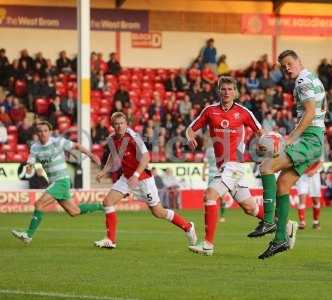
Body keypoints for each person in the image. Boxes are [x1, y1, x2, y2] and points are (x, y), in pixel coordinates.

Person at [248, 50, 326, 259]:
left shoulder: (303, 82)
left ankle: (268, 221)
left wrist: (290, 138)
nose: (287, 68)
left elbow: (310, 112)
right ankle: (280, 238)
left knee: (266, 166)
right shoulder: (311, 78)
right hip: (314, 140)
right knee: (283, 185)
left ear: (299, 61)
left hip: (309, 139)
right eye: (283, 66)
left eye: (289, 63)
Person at [186, 76, 276, 256]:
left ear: (235, 92)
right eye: (223, 89)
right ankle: (285, 225)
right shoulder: (210, 111)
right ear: (219, 91)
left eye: (230, 89)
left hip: (235, 164)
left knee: (210, 195)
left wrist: (264, 143)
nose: (226, 92)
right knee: (250, 208)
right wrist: (190, 137)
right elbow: (191, 128)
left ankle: (208, 245)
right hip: (225, 166)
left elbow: (260, 131)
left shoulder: (243, 112)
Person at [94, 112, 197, 249]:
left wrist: (136, 175)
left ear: (126, 124)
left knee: (158, 212)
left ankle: (188, 227)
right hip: (127, 178)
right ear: (112, 126)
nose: (119, 126)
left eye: (122, 123)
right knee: (108, 202)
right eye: (116, 124)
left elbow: (146, 157)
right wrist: (104, 171)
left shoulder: (134, 137)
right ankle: (111, 240)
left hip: (143, 179)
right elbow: (113, 157)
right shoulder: (112, 138)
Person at [11, 121, 103, 244]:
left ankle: (28, 235)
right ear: (37, 133)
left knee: (39, 204)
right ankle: (102, 206)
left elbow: (76, 146)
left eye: (45, 131)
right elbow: (31, 161)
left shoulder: (58, 142)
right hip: (54, 182)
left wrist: (92, 156)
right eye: (40, 131)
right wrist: (29, 167)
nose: (43, 133)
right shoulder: (34, 147)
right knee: (74, 211)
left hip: (62, 180)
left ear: (50, 132)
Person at [201, 133, 227, 222]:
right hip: (211, 174)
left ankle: (222, 216)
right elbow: (205, 162)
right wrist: (203, 174)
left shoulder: (222, 149)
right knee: (209, 196)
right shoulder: (208, 150)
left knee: (222, 196)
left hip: (220, 174)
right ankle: (209, 215)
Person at [295, 160, 323, 230]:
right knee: (302, 197)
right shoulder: (299, 148)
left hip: (314, 175)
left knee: (316, 200)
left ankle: (316, 222)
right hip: (302, 175)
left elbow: (321, 162)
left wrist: (314, 170)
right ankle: (302, 222)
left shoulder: (318, 148)